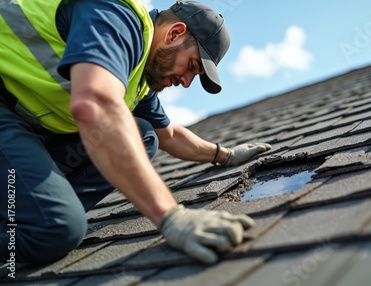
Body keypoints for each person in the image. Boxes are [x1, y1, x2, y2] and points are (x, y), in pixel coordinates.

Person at [0, 0, 271, 265]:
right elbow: (95, 104)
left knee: (143, 134)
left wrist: (225, 155)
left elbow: (170, 136)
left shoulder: (139, 76)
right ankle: (35, 217)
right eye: (191, 66)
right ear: (175, 33)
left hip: (23, 124)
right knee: (56, 227)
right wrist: (170, 216)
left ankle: (23, 209)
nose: (187, 83)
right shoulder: (115, 15)